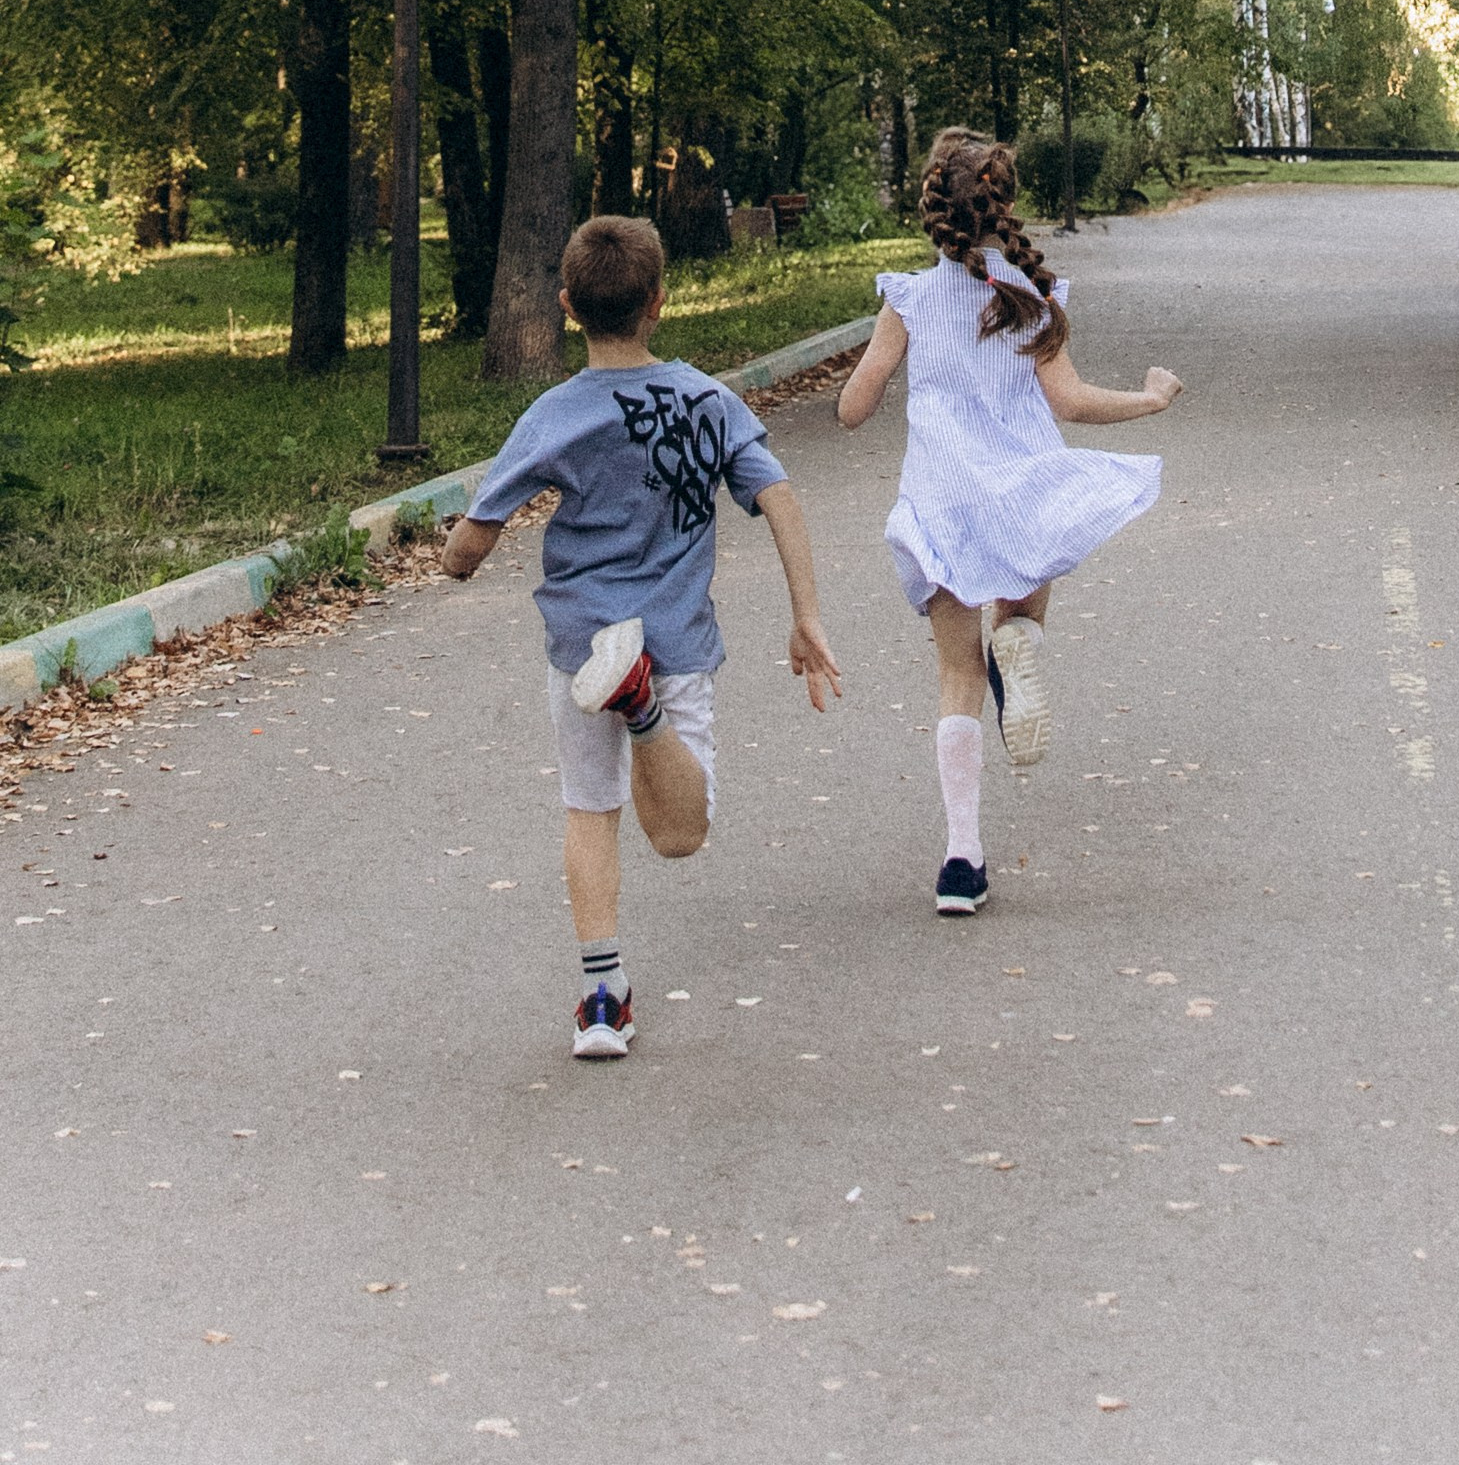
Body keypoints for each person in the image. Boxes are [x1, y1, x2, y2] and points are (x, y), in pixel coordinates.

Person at [441, 214, 841, 1057]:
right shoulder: (709, 400)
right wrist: (805, 616)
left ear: (565, 306)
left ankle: (600, 997)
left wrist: (457, 552)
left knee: (591, 809)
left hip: (585, 645)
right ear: (660, 300)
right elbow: (781, 498)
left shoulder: (552, 415)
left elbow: (466, 551)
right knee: (681, 836)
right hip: (676, 642)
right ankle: (647, 713)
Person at [837, 128, 1181, 915]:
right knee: (1023, 595)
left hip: (941, 505)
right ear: (1006, 207)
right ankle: (1020, 642)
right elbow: (1073, 403)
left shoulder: (910, 300)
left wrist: (872, 381)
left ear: (934, 210)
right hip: (1019, 493)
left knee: (956, 678)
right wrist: (1150, 398)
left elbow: (854, 409)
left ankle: (961, 861)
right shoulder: (1030, 296)